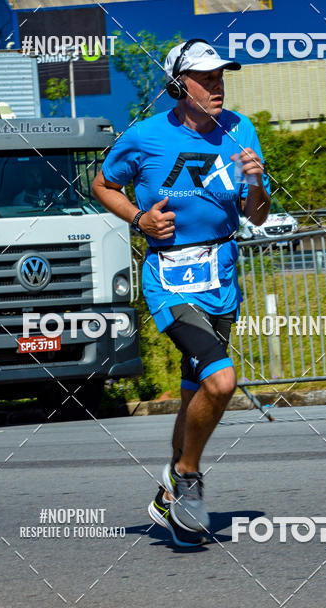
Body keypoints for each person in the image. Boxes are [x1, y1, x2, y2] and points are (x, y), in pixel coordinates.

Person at [92, 39, 270, 546]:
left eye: (221, 78)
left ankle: (169, 496)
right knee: (221, 381)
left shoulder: (240, 129)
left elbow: (256, 214)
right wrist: (139, 218)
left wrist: (255, 185)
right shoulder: (145, 137)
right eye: (206, 78)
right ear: (178, 85)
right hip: (169, 280)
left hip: (221, 277)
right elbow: (103, 183)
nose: (217, 87)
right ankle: (186, 479)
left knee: (195, 388)